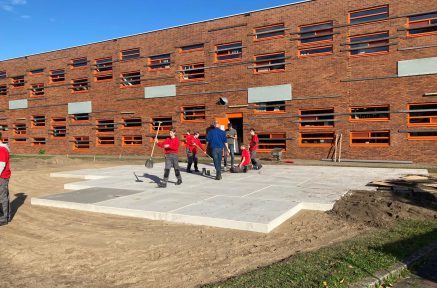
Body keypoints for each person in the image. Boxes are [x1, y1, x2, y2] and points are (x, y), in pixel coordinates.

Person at [0, 133, 11, 226]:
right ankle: (5, 215)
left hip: (2, 177)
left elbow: (1, 165)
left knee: (2, 197)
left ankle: (4, 218)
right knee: (3, 196)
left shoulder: (2, 149)